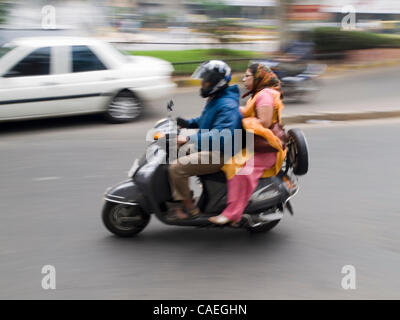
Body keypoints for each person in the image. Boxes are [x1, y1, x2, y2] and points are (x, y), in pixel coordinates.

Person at [209, 63, 287, 225]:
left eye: (247, 76)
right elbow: (247, 111)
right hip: (255, 145)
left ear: (258, 77)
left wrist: (243, 120)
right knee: (228, 163)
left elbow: (264, 122)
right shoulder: (257, 94)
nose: (243, 79)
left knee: (241, 171)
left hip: (265, 149)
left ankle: (232, 214)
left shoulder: (264, 95)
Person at [168, 60, 243, 220]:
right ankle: (179, 197)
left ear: (218, 82)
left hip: (222, 152)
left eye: (207, 80)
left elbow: (220, 135)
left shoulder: (227, 104)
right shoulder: (217, 98)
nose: (203, 83)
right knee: (171, 152)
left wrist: (188, 137)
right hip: (211, 146)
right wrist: (187, 123)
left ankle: (190, 207)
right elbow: (206, 120)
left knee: (177, 168)